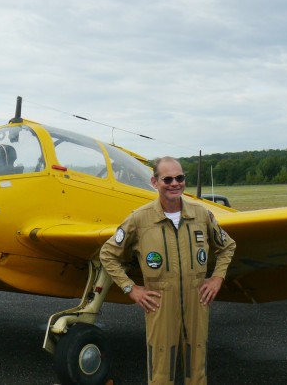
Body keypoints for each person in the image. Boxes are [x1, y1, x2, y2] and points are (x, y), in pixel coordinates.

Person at [100, 156, 236, 385]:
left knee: (197, 368)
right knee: (161, 370)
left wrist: (217, 278)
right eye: (168, 179)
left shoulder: (201, 215)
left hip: (197, 301)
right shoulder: (139, 219)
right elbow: (107, 253)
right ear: (155, 182)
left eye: (180, 178)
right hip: (160, 303)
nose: (175, 183)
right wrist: (131, 289)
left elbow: (227, 245)